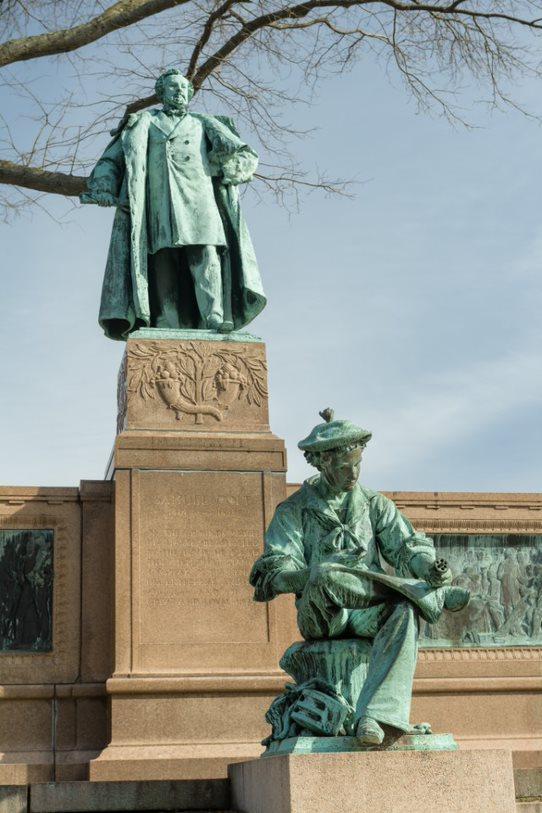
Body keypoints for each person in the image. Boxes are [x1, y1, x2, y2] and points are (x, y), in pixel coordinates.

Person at [249, 409, 469, 745]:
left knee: (404, 611)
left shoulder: (374, 505)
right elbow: (274, 576)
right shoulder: (293, 511)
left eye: (357, 465)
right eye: (343, 467)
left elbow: (407, 548)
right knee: (325, 572)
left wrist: (429, 568)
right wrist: (319, 577)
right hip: (324, 614)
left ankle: (375, 716)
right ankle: (424, 594)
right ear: (322, 463)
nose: (353, 473)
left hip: (369, 614)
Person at [81, 68, 265, 339]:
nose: (179, 92)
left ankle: (213, 315)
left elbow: (244, 153)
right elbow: (111, 160)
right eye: (172, 88)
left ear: (189, 94)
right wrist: (104, 186)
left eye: (183, 88)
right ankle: (167, 316)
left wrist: (228, 171)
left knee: (205, 252)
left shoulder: (204, 123)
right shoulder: (142, 122)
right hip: (159, 203)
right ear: (161, 93)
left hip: (199, 201)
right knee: (162, 257)